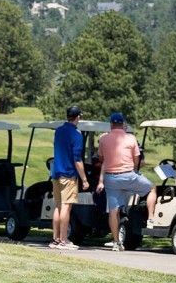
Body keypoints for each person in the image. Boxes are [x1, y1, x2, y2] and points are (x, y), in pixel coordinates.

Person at [94, 111, 156, 251]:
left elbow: (102, 159)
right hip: (129, 175)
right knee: (152, 188)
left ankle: (116, 242)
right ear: (123, 124)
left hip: (111, 178)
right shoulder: (131, 138)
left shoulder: (103, 139)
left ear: (111, 124)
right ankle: (151, 218)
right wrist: (134, 170)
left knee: (113, 211)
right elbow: (137, 158)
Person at [50, 106, 89, 249]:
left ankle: (55, 239)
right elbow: (77, 159)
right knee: (66, 206)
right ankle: (63, 240)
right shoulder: (76, 134)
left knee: (58, 206)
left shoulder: (59, 131)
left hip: (56, 173)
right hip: (68, 174)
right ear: (78, 117)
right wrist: (84, 179)